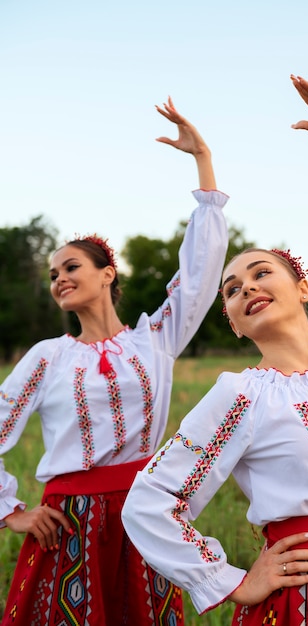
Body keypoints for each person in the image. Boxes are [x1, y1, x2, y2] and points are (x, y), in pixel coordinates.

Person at [122, 75, 308, 625]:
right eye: (231, 288)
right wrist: (230, 582)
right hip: (305, 596)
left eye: (260, 272)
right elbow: (149, 502)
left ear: (302, 288)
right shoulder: (240, 396)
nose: (245, 286)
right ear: (232, 322)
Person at [0, 98, 228, 626]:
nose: (58, 278)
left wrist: (204, 167)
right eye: (52, 273)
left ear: (107, 274)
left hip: (145, 515)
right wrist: (14, 513)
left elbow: (197, 276)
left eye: (71, 266)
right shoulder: (47, 357)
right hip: (69, 523)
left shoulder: (154, 340)